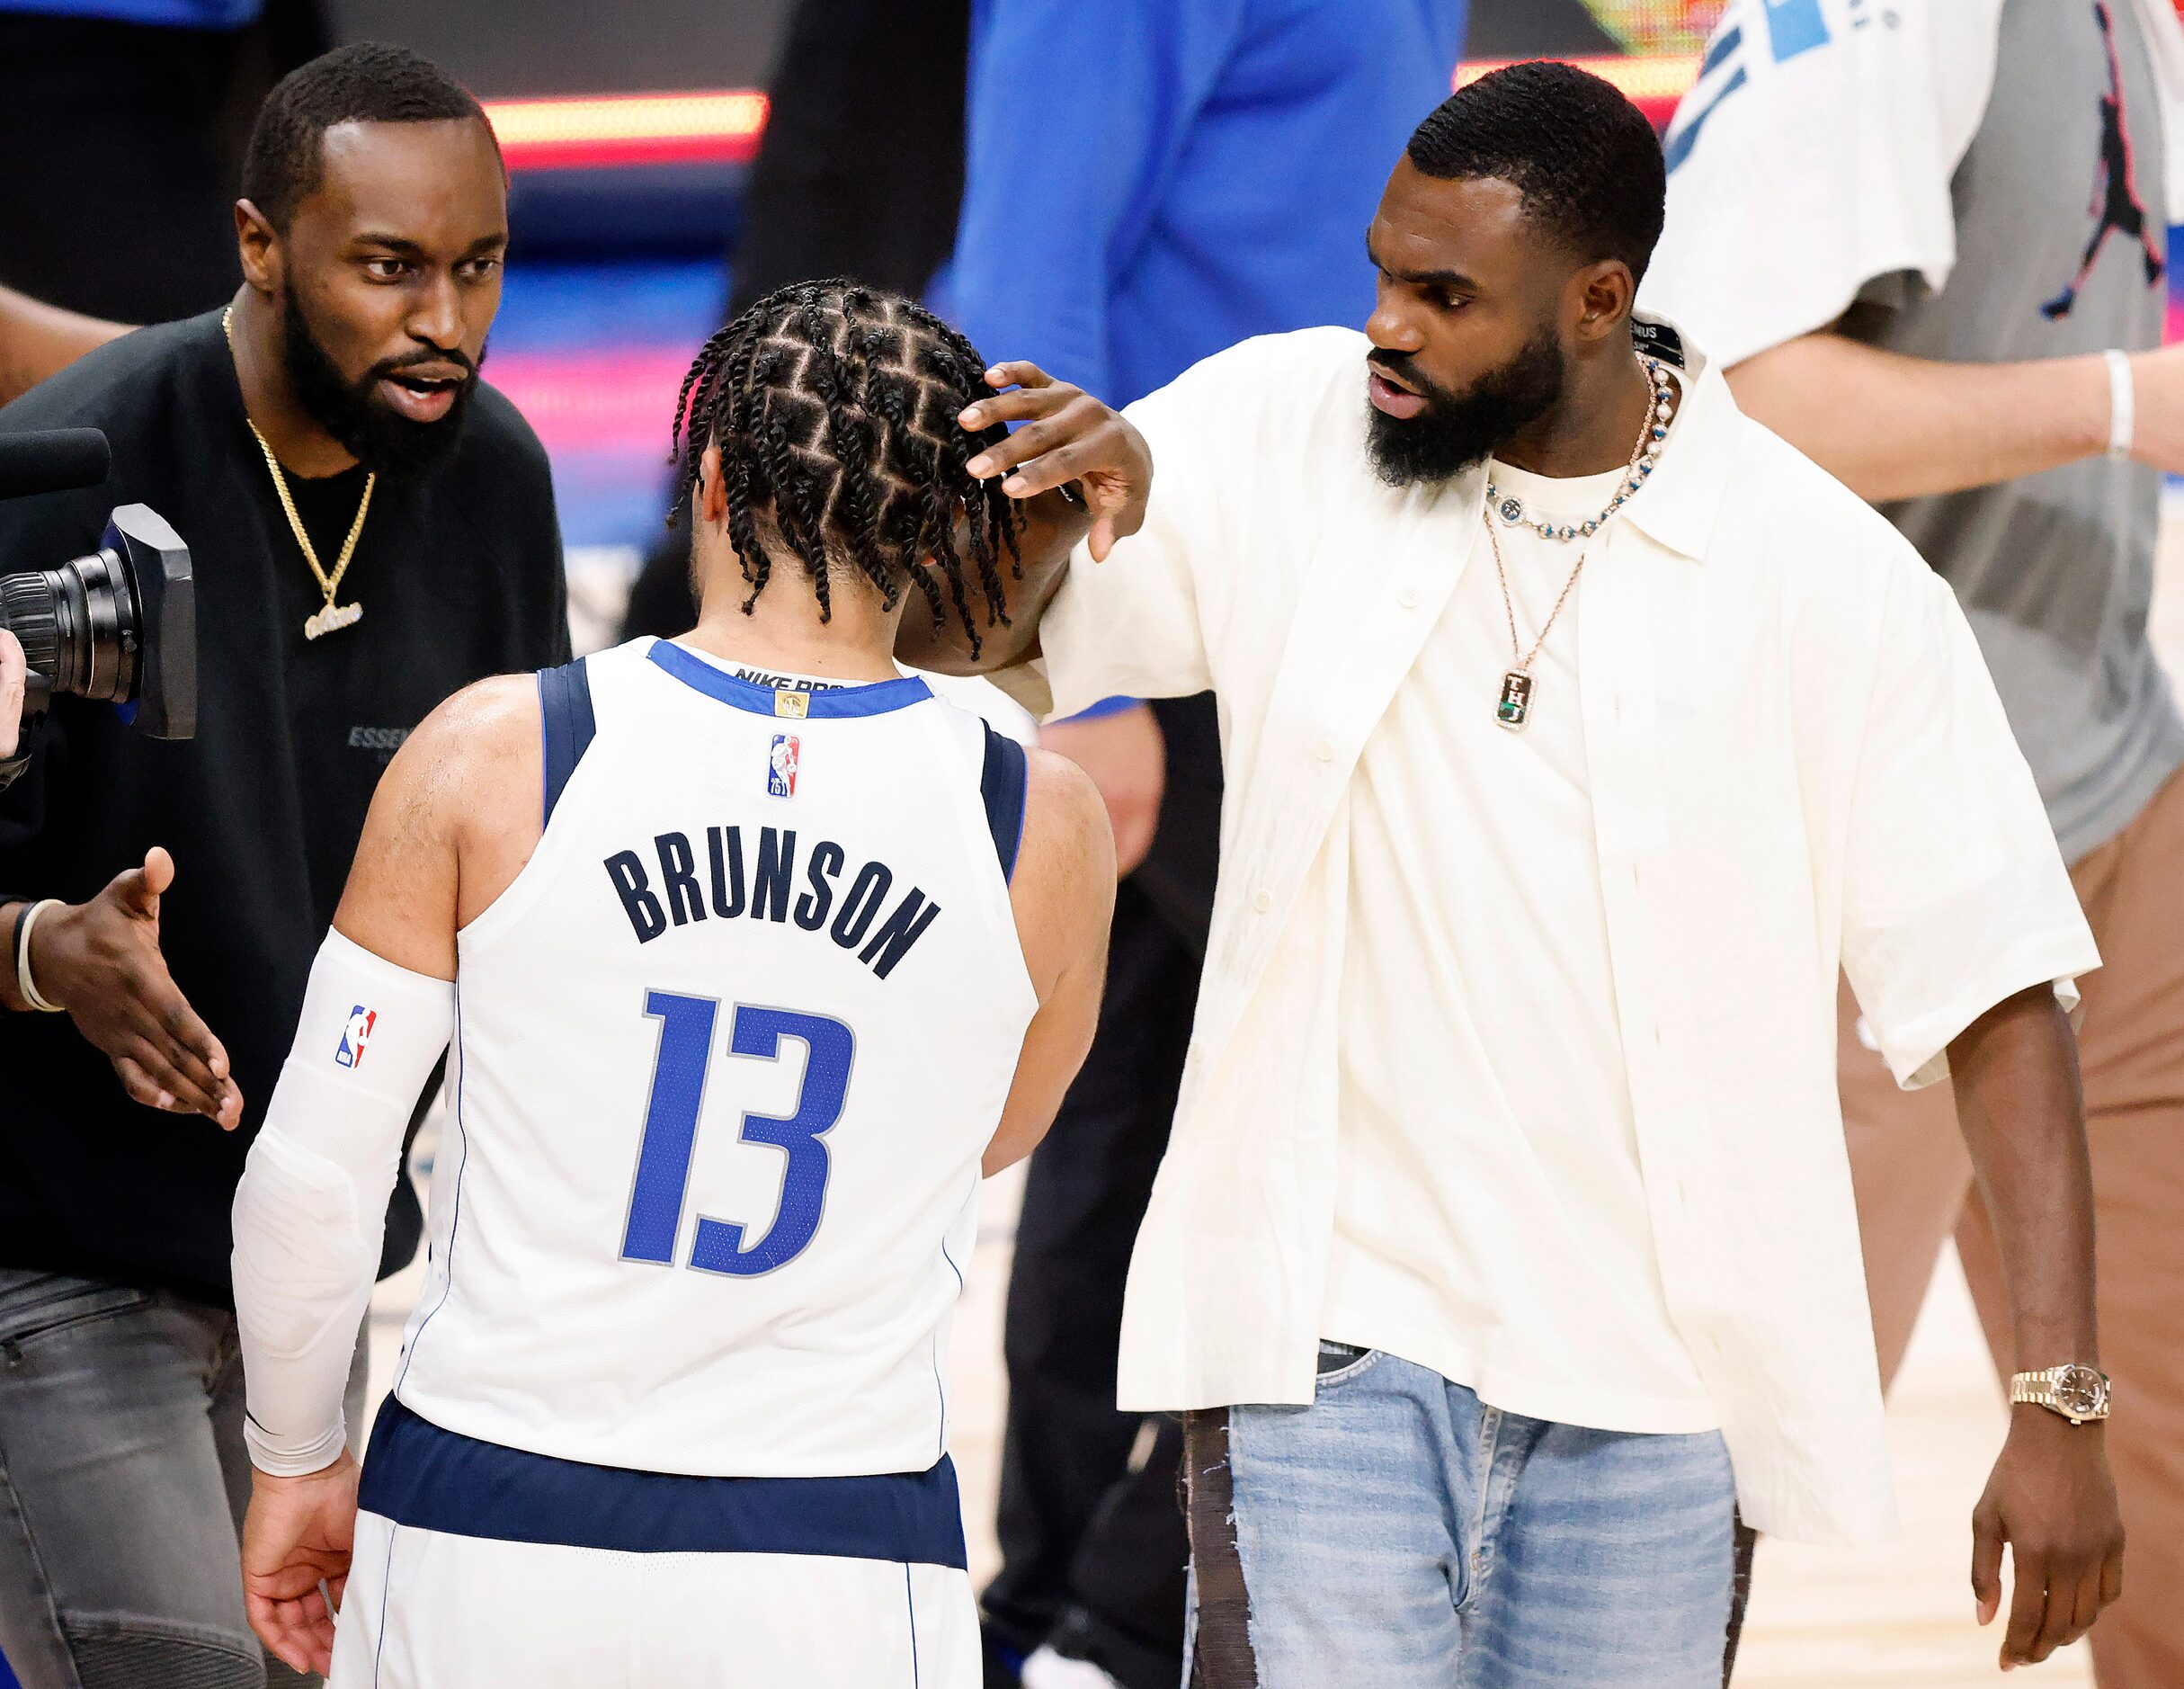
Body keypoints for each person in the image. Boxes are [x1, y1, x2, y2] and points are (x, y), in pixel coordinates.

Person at [904, 61, 2127, 1684]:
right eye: (1383, 275)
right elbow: (959, 640)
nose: (1389, 326)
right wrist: (1047, 523)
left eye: (1445, 294)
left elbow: (1991, 988)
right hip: (1321, 1357)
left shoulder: (1825, 579)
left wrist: (2055, 1401)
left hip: (1660, 1408)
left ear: (1600, 301)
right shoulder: (1284, 420)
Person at [228, 280, 1118, 1687]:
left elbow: (314, 1181)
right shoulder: (1042, 819)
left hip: (491, 1511)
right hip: (837, 1539)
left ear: (706, 477)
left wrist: (291, 1461)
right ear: (947, 514)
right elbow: (994, 1131)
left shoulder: (494, 751)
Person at [0, 43, 566, 1689]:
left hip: (310, 1283)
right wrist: (43, 946)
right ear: (261, 245)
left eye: (476, 268)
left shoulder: (499, 476)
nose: (443, 323)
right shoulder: (71, 466)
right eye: (388, 268)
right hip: (54, 1258)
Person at [1639, 1, 2184, 1679]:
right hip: (1850, 859)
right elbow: (1724, 400)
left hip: (2100, 783)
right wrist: (2116, 402)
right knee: (1685, 1500)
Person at [932, 4, 1468, 1682]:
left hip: (1338, 579)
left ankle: (1071, 1621)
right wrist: (1080, 667)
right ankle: (1086, 1616)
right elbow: (1021, 250)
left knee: (1157, 1112)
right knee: (1240, 1126)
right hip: (1177, 605)